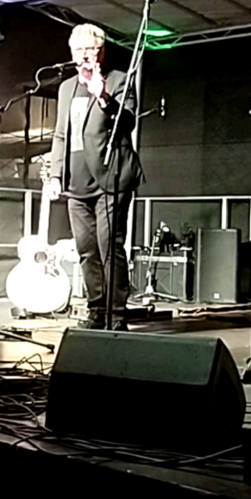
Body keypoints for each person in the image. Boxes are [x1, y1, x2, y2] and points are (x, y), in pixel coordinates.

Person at [49, 23, 143, 330]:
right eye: (77, 50)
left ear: (101, 52)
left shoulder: (119, 80)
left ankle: (117, 316)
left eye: (89, 49)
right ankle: (97, 311)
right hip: (76, 184)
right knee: (86, 250)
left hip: (110, 178)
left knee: (109, 247)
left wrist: (103, 96)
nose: (83, 55)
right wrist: (55, 175)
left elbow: (127, 121)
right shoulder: (66, 88)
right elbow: (60, 135)